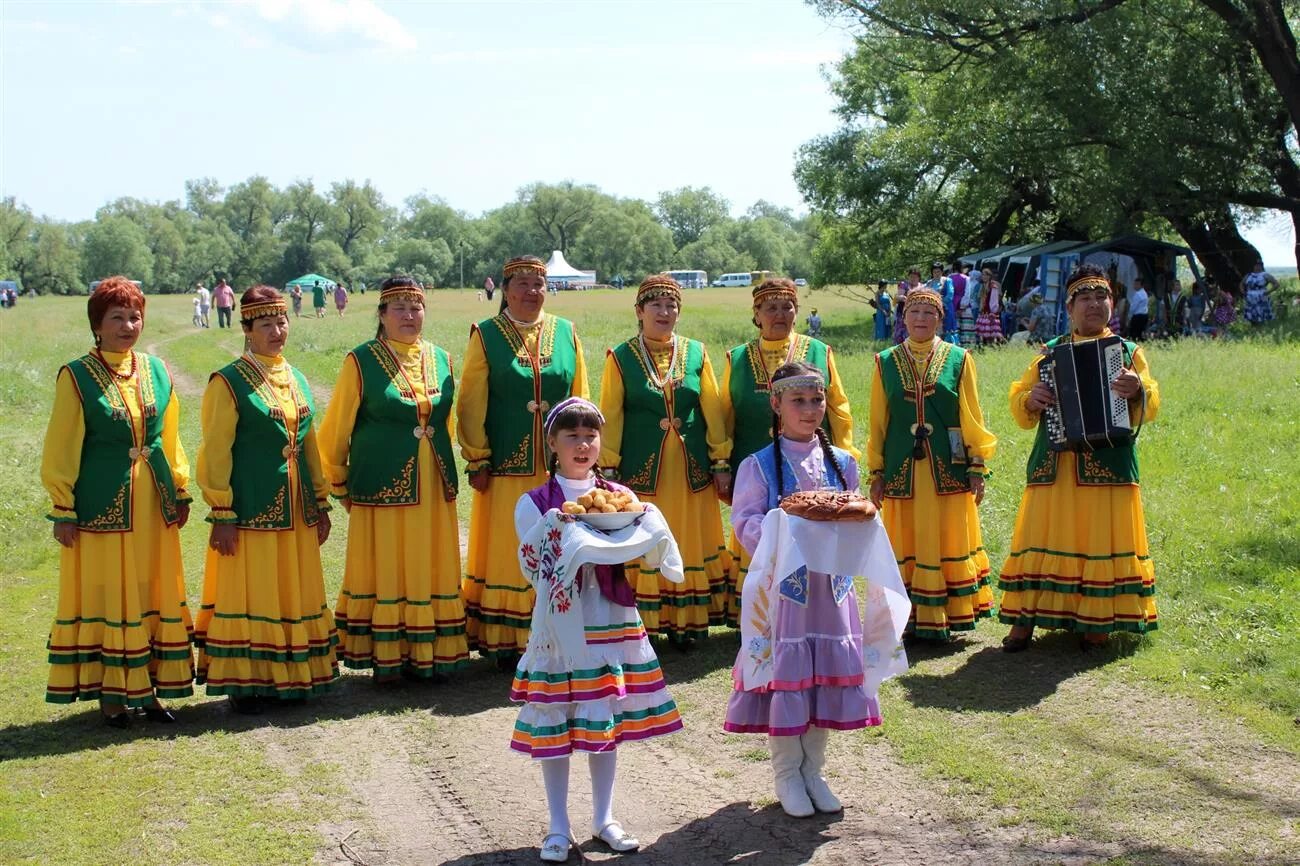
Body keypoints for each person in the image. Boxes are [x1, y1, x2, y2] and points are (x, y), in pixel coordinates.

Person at [511, 397, 684, 862]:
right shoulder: (535, 503)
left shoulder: (623, 499)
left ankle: (604, 817)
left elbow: (643, 550)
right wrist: (561, 530)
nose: (583, 445)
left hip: (611, 617)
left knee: (602, 716)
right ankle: (557, 825)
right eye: (572, 436)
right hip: (563, 625)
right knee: (559, 719)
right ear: (552, 444)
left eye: (591, 436)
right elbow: (533, 566)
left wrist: (644, 528)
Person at [724, 362, 880, 817]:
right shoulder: (757, 466)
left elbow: (856, 519)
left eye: (817, 400)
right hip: (787, 596)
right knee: (789, 677)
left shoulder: (843, 464)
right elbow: (745, 525)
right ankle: (787, 773)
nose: (810, 410)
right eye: (799, 401)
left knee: (823, 678)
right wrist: (783, 529)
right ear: (776, 405)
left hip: (832, 591)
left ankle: (815, 770)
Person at [40, 276, 195, 727]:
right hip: (101, 505)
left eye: (134, 315)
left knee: (151, 587)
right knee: (110, 592)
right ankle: (112, 694)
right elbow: (62, 445)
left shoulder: (156, 370)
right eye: (117, 317)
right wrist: (63, 506)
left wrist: (179, 488)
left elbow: (170, 436)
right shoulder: (77, 376)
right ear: (97, 324)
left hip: (153, 502)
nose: (128, 325)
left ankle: (148, 690)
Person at [999, 265, 1160, 653]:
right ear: (1069, 308)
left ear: (1112, 303)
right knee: (1041, 534)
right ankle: (1026, 618)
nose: (1093, 304)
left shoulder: (1128, 352)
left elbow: (1151, 401)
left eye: (1100, 297)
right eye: (1084, 298)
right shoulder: (1049, 354)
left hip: (1110, 464)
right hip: (1056, 463)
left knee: (1102, 539)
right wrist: (1030, 399)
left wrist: (1138, 389)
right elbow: (1020, 402)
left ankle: (1097, 619)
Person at [318, 276, 469, 684]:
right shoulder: (361, 360)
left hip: (433, 484)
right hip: (381, 482)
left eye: (415, 307)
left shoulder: (442, 358)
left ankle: (429, 651)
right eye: (398, 308)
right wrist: (338, 478)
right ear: (382, 315)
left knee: (430, 560)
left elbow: (449, 423)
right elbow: (337, 426)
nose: (408, 315)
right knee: (387, 564)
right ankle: (387, 655)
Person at [195, 286, 338, 712]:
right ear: (246, 329)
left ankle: (293, 675)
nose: (276, 331)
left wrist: (320, 499)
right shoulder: (228, 381)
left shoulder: (294, 376)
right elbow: (215, 450)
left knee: (292, 586)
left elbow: (309, 441)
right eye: (265, 324)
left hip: (296, 509)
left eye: (281, 322)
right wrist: (222, 510)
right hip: (251, 508)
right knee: (253, 590)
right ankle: (248, 682)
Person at [458, 255, 590, 669]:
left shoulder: (566, 332)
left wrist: (583, 448)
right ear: (505, 288)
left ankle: (561, 626)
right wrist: (477, 455)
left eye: (539, 284)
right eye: (523, 284)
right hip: (506, 466)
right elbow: (471, 402)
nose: (532, 292)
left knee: (563, 542)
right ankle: (507, 638)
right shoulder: (487, 334)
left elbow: (580, 394)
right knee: (511, 545)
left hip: (558, 464)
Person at [598, 274, 733, 648]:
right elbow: (611, 414)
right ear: (639, 311)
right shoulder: (621, 357)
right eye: (655, 304)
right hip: (643, 473)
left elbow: (713, 410)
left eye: (671, 305)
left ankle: (688, 622)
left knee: (688, 538)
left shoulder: (696, 352)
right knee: (647, 539)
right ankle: (647, 621)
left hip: (691, 472)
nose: (664, 311)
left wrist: (721, 461)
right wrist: (607, 470)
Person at [720, 277, 857, 625]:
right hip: (761, 463)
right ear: (757, 314)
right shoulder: (736, 358)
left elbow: (838, 407)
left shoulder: (819, 351)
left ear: (797, 312)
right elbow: (725, 413)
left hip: (815, 457)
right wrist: (720, 462)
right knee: (758, 535)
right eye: (771, 307)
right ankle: (758, 615)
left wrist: (841, 459)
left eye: (787, 306)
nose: (779, 314)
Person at [866, 288, 996, 642]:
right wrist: (876, 471)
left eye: (929, 313)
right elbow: (879, 420)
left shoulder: (959, 358)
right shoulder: (886, 362)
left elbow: (971, 414)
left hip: (948, 468)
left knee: (947, 537)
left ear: (941, 319)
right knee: (904, 539)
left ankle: (949, 615)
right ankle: (905, 619)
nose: (921, 319)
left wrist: (976, 465)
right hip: (902, 468)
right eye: (914, 312)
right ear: (903, 318)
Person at [925, 262, 958, 344]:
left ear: (942, 272)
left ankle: (949, 348)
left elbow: (950, 294)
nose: (936, 274)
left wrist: (940, 302)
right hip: (932, 310)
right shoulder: (929, 283)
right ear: (932, 272)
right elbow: (924, 293)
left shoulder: (947, 281)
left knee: (947, 328)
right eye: (934, 272)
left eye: (938, 271)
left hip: (946, 309)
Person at [1241, 260, 1278, 326]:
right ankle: (1254, 328)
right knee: (1251, 314)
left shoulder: (1265, 275)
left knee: (1261, 314)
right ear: (1253, 266)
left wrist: (1268, 292)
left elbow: (1276, 284)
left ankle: (1262, 329)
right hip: (1250, 297)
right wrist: (1243, 292)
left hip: (1261, 297)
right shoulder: (1249, 275)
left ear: (1261, 266)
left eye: (1259, 265)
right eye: (1256, 265)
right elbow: (1241, 284)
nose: (1257, 267)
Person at [974, 268, 1003, 345]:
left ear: (989, 276)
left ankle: (991, 348)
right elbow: (980, 298)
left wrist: (993, 311)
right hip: (984, 312)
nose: (984, 276)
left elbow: (994, 300)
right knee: (984, 333)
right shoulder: (983, 285)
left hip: (990, 312)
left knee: (991, 333)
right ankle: (984, 347)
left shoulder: (993, 286)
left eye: (986, 275)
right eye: (983, 275)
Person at [894, 269, 920, 344]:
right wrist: (903, 297)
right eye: (911, 276)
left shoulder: (922, 286)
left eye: (915, 277)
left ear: (919, 278)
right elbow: (898, 296)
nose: (913, 278)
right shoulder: (904, 284)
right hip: (903, 314)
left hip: (917, 314)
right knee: (901, 334)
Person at [959, 266, 981, 346]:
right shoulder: (977, 284)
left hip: (967, 305)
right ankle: (973, 341)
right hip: (974, 306)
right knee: (973, 324)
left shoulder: (968, 282)